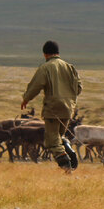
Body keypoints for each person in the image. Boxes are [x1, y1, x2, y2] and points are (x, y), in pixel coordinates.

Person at [22, 40, 82, 172]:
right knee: (59, 137)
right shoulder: (69, 67)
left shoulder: (45, 67)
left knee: (51, 141)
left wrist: (26, 99)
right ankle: (69, 152)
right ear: (58, 53)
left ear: (45, 54)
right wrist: (69, 98)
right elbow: (79, 88)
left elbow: (35, 86)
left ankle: (67, 164)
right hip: (68, 109)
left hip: (53, 109)